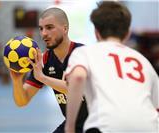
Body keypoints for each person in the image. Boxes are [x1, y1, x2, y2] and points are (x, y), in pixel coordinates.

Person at [65, 1, 159, 133]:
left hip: (106, 126)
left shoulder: (85, 52)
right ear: (127, 33)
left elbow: (79, 76)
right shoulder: (143, 61)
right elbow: (156, 106)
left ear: (96, 32)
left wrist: (69, 127)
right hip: (150, 127)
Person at [9, 7, 88, 133]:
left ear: (65, 29)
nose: (44, 33)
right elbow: (22, 101)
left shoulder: (83, 53)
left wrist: (43, 78)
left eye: (49, 27)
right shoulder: (44, 60)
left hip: (97, 124)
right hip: (72, 124)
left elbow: (76, 88)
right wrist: (17, 81)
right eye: (41, 28)